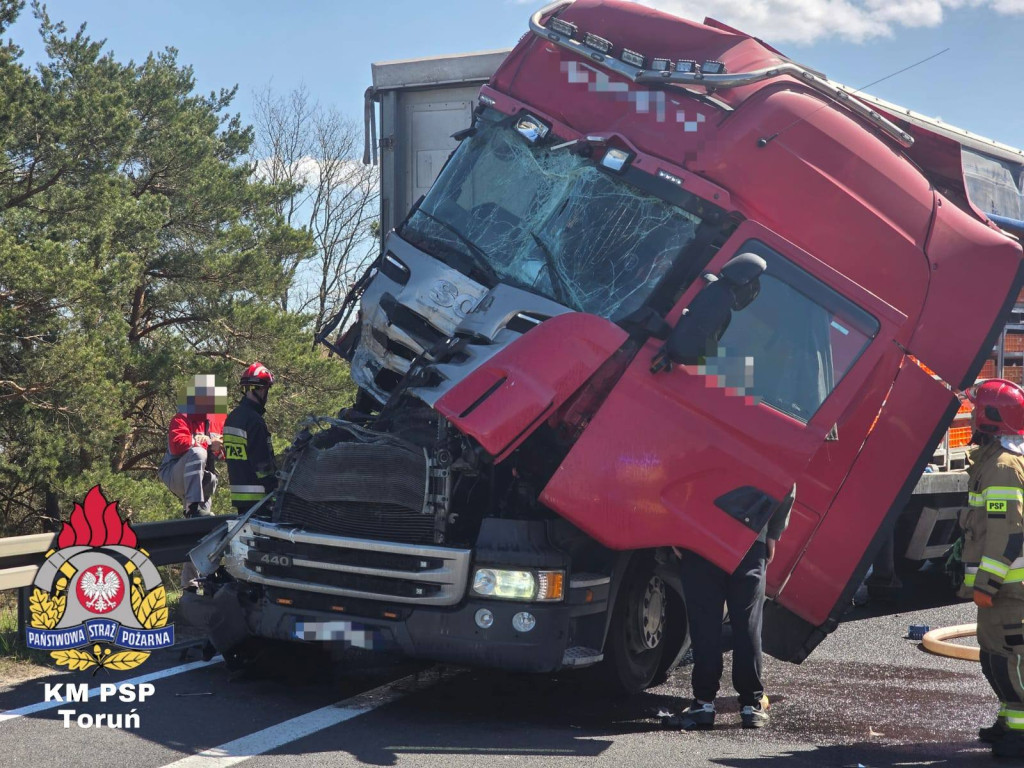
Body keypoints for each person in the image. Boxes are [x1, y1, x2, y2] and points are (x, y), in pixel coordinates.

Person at [676, 501, 791, 730]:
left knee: (705, 623)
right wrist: (772, 533)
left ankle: (703, 703)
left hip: (699, 533)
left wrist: (676, 531)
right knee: (748, 623)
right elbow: (787, 480)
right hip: (750, 537)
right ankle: (751, 705)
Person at [960, 379, 1024, 758]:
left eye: (976, 409)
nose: (970, 415)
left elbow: (1008, 534)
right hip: (1002, 590)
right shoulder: (994, 461)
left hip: (1010, 591)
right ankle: (1008, 721)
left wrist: (986, 582)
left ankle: (1020, 733)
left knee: (1009, 660)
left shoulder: (1002, 467)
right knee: (994, 657)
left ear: (989, 418)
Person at [158, 374, 227, 589]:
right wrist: (205, 442)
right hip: (175, 474)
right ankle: (193, 507)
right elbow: (178, 445)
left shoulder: (218, 418)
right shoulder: (182, 417)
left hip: (201, 478)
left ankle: (192, 583)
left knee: (200, 530)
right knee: (197, 452)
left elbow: (226, 453)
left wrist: (220, 447)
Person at [223, 362, 278, 513]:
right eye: (267, 389)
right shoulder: (254, 421)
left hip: (240, 499)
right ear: (261, 389)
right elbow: (262, 464)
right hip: (260, 501)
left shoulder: (232, 418)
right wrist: (275, 490)